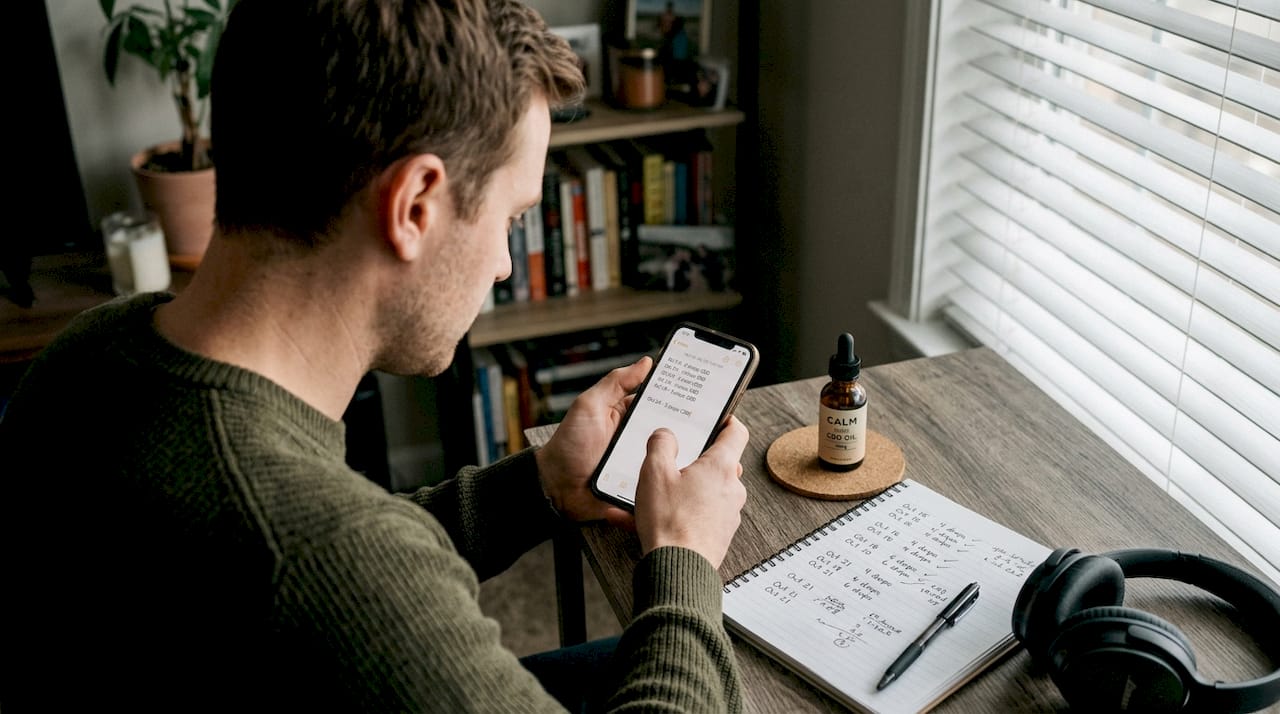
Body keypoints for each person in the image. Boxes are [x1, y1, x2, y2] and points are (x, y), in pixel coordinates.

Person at [0, 1, 750, 712]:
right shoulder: (328, 557)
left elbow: (307, 572)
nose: (504, 266)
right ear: (415, 204)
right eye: (511, 218)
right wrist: (681, 561)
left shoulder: (88, 353)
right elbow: (332, 566)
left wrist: (539, 485)